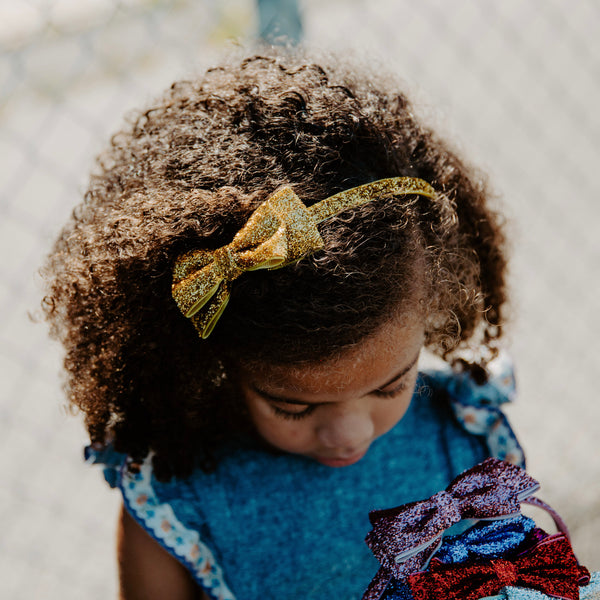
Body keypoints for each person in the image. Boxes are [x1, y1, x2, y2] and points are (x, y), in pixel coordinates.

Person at [41, 47, 524, 600]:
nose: (350, 433)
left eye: (391, 385)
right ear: (213, 360)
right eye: (292, 405)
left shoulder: (465, 437)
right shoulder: (179, 502)